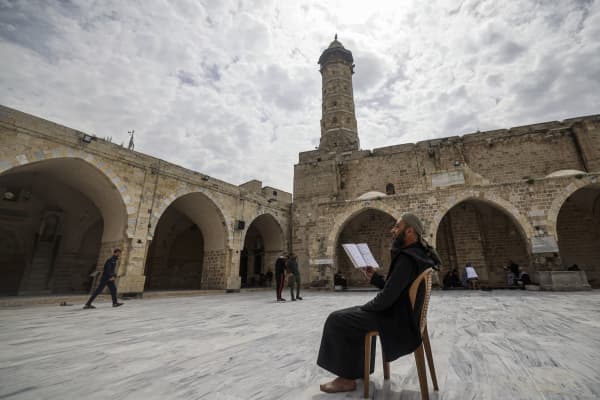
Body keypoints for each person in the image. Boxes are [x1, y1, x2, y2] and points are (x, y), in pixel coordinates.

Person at [316, 213, 440, 393]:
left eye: (397, 227)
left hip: (397, 320)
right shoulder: (418, 254)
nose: (392, 230)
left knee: (337, 319)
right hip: (403, 316)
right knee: (351, 317)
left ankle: (346, 379)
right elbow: (396, 289)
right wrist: (374, 277)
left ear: (410, 231)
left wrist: (364, 309)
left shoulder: (407, 258)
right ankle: (355, 372)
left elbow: (387, 298)